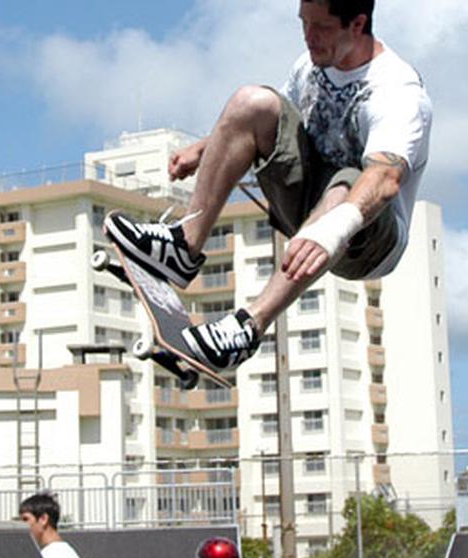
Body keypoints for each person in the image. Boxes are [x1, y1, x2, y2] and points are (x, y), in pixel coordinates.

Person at [104, 0, 431, 371]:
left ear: (357, 24)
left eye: (321, 27)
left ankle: (248, 326)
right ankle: (183, 248)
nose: (309, 38)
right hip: (308, 204)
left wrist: (332, 229)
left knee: (348, 181)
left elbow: (385, 178)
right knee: (252, 101)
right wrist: (204, 148)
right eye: (303, 24)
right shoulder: (310, 64)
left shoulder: (396, 92)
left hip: (367, 239)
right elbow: (272, 123)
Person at [19, 493, 85, 558]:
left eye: (25, 519)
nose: (22, 525)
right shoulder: (62, 554)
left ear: (43, 519)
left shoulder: (54, 557)